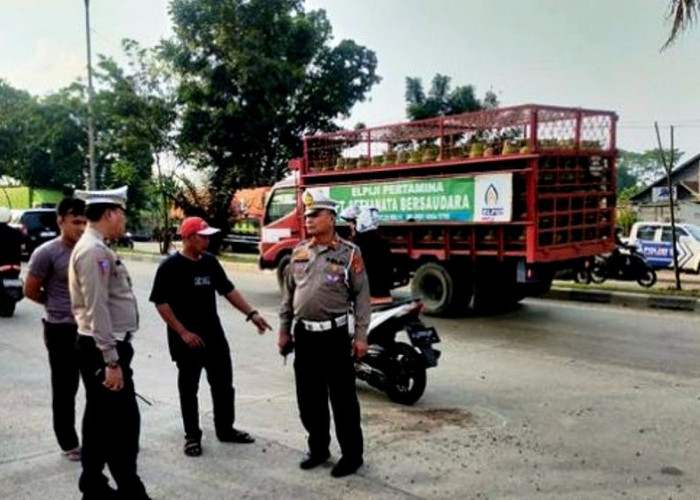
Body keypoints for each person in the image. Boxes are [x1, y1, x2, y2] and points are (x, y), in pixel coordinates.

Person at [149, 216, 272, 457]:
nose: (207, 240)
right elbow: (160, 302)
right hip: (187, 340)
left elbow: (227, 290)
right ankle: (192, 436)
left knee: (224, 385)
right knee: (188, 388)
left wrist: (252, 313)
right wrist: (182, 332)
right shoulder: (170, 267)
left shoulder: (210, 262)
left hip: (214, 336)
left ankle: (225, 429)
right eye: (203, 236)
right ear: (189, 238)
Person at [278, 188, 371, 478]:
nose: (308, 220)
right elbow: (288, 295)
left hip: (334, 337)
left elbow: (362, 297)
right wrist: (284, 329)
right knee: (309, 398)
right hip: (304, 336)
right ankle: (318, 448)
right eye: (306, 216)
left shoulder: (349, 253)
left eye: (315, 215)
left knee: (343, 400)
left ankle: (352, 455)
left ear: (331, 218)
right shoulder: (300, 252)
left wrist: (361, 336)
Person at [68, 186, 150, 500]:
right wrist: (111, 361)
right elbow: (96, 307)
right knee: (123, 425)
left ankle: (93, 484)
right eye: (122, 213)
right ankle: (128, 489)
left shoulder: (96, 246)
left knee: (102, 421)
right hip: (102, 350)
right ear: (110, 213)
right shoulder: (93, 251)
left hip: (103, 348)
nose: (124, 219)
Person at [24, 198, 87, 461]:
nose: (81, 228)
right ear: (60, 220)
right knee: (65, 388)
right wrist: (56, 307)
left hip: (89, 330)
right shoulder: (46, 253)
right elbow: (30, 290)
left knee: (100, 386)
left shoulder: (91, 250)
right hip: (60, 330)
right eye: (75, 222)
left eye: (85, 222)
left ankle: (104, 439)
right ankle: (69, 443)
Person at [339, 205, 393, 302]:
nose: (350, 226)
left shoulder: (359, 245)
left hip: (369, 300)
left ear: (361, 222)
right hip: (384, 296)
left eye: (352, 223)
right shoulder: (380, 242)